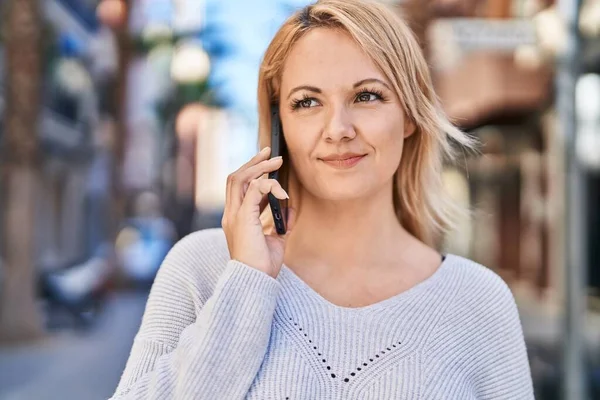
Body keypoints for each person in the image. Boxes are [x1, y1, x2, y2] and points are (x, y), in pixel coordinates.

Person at [111, 1, 534, 399]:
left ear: (408, 115)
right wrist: (247, 283)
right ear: (280, 126)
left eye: (366, 96)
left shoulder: (478, 302)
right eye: (307, 102)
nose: (338, 129)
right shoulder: (202, 270)